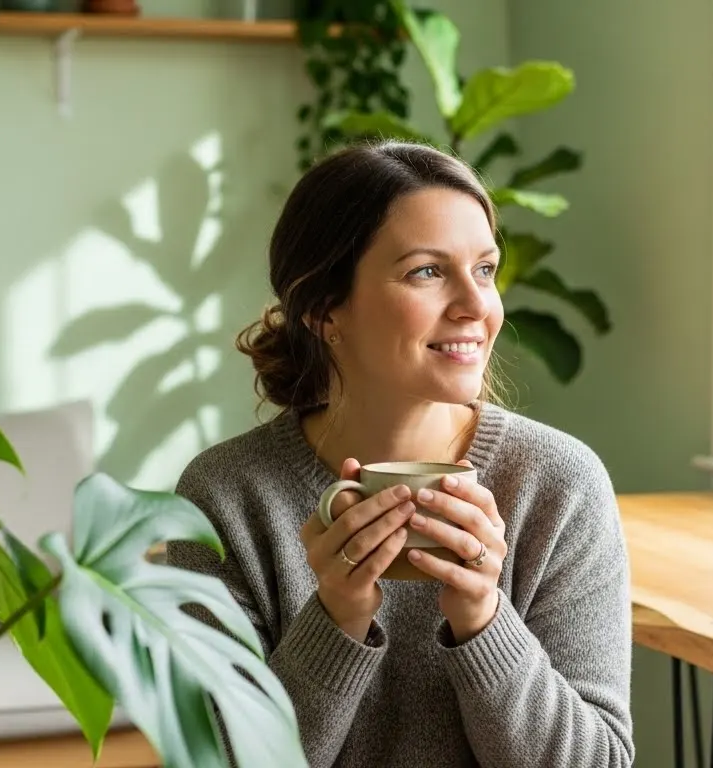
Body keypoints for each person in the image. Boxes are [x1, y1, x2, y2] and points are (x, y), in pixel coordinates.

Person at [166, 141, 634, 767]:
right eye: (426, 272)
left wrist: (484, 618)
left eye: (485, 269)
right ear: (324, 309)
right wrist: (336, 618)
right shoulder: (224, 496)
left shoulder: (559, 485)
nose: (477, 305)